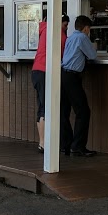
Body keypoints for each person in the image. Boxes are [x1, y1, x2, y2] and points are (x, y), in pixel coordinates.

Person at [60, 15, 99, 157]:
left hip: (63, 75)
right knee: (83, 112)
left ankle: (66, 144)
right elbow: (93, 56)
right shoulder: (82, 38)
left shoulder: (70, 37)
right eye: (89, 29)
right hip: (72, 77)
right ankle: (78, 147)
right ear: (86, 28)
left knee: (64, 111)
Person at [31, 11, 70, 153]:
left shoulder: (44, 29)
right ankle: (44, 143)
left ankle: (43, 142)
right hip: (45, 72)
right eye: (65, 25)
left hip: (37, 70)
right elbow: (66, 50)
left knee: (42, 105)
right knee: (46, 107)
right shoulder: (56, 32)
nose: (65, 28)